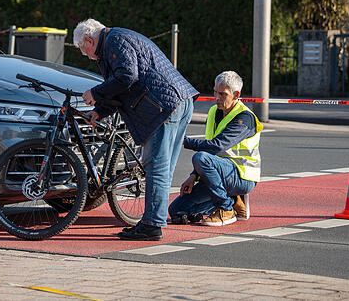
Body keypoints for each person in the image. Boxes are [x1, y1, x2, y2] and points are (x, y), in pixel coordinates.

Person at [74, 18, 198, 240]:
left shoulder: (114, 41)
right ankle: (152, 219)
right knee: (163, 168)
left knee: (157, 167)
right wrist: (100, 111)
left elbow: (126, 77)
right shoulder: (117, 39)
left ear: (89, 40)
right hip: (179, 102)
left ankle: (152, 225)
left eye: (85, 51)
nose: (88, 57)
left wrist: (96, 93)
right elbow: (124, 87)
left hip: (163, 107)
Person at [168, 71, 262, 227]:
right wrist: (193, 176)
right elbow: (211, 151)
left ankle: (225, 209)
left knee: (200, 158)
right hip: (219, 172)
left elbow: (217, 146)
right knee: (176, 209)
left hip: (242, 176)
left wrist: (184, 141)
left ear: (236, 95)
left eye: (223, 94)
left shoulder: (245, 118)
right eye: (215, 92)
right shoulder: (214, 111)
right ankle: (233, 201)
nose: (216, 98)